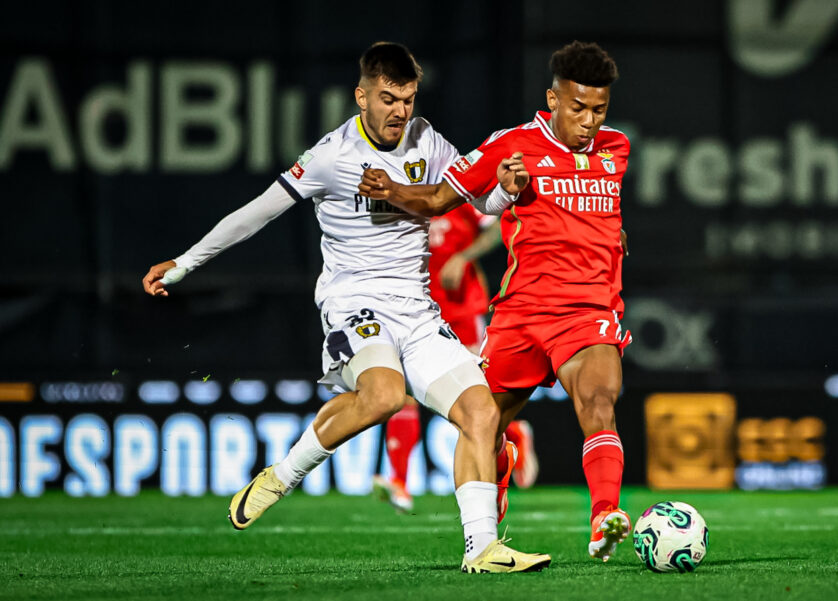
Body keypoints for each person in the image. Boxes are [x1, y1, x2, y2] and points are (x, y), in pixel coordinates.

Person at [141, 41, 549, 574]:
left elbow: (480, 203)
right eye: (387, 99)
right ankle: (283, 475)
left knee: (482, 412)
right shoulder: (331, 155)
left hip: (417, 311)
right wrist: (185, 264)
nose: (399, 111)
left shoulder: (427, 138)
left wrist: (508, 192)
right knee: (381, 395)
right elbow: (255, 213)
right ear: (361, 96)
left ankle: (482, 548)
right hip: (354, 302)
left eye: (407, 99)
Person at [359, 41, 631, 562]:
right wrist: (391, 189)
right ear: (553, 99)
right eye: (578, 108)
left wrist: (616, 240)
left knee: (598, 403)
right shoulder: (514, 146)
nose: (590, 121)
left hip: (588, 312)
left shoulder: (616, 149)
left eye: (599, 110)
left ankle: (603, 519)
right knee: (483, 422)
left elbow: (607, 216)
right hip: (522, 314)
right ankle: (492, 495)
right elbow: (440, 199)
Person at [373, 209, 539, 513]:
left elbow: (499, 228)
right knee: (405, 394)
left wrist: (463, 257)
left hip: (462, 309)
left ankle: (513, 433)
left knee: (477, 397)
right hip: (418, 313)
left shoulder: (458, 189)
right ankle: (399, 482)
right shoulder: (405, 193)